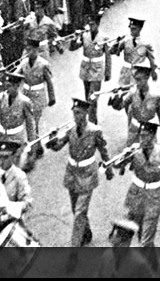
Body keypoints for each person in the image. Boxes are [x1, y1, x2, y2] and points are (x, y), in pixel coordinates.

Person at [47, 97, 112, 247]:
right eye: (74, 113)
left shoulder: (95, 131)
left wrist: (108, 169)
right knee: (75, 208)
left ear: (86, 113)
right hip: (72, 173)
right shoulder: (70, 130)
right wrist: (52, 138)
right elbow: (57, 147)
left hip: (87, 174)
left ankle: (74, 248)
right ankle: (86, 232)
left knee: (79, 212)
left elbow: (103, 150)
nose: (76, 116)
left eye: (79, 113)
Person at [123, 119, 160, 248]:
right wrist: (125, 156)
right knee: (130, 230)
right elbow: (118, 165)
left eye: (145, 136)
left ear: (152, 136)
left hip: (153, 197)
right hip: (136, 194)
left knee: (146, 239)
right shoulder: (135, 151)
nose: (141, 139)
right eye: (140, 135)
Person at [0, 140, 33, 241]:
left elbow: (27, 203)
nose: (2, 161)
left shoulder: (19, 176)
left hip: (14, 225)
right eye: (0, 157)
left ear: (12, 157)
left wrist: (12, 208)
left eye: (6, 157)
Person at [69, 14, 113, 123]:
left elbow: (108, 56)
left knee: (92, 97)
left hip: (97, 71)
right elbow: (72, 48)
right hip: (85, 70)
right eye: (89, 24)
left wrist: (107, 73)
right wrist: (75, 38)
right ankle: (90, 120)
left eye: (93, 24)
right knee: (87, 97)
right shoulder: (85, 36)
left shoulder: (104, 38)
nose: (90, 26)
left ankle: (92, 122)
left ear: (97, 24)